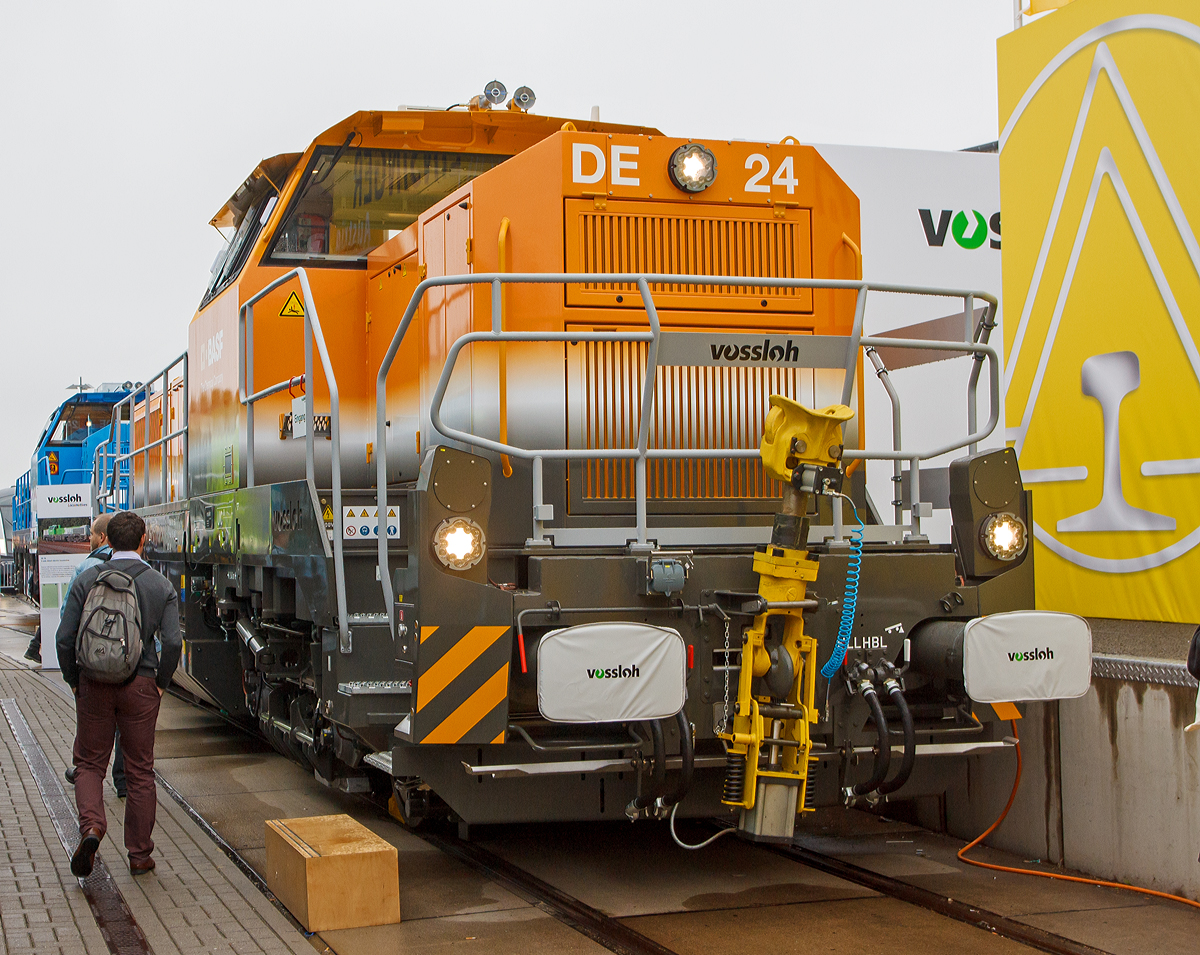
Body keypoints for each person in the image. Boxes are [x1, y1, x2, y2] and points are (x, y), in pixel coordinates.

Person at [56, 511, 181, 877]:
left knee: (90, 763)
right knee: (140, 770)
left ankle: (92, 827)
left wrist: (74, 680)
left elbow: (64, 638)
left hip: (93, 683)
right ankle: (140, 856)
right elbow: (172, 641)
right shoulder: (160, 585)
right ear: (144, 540)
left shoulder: (88, 578)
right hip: (141, 685)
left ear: (107, 539)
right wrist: (160, 683)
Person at [54, 513, 127, 797]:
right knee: (124, 722)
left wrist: (72, 677)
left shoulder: (87, 568)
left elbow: (65, 622)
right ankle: (122, 781)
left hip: (92, 660)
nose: (90, 540)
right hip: (126, 659)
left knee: (91, 719)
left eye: (93, 535)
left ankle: (84, 771)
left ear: (102, 538)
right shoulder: (138, 568)